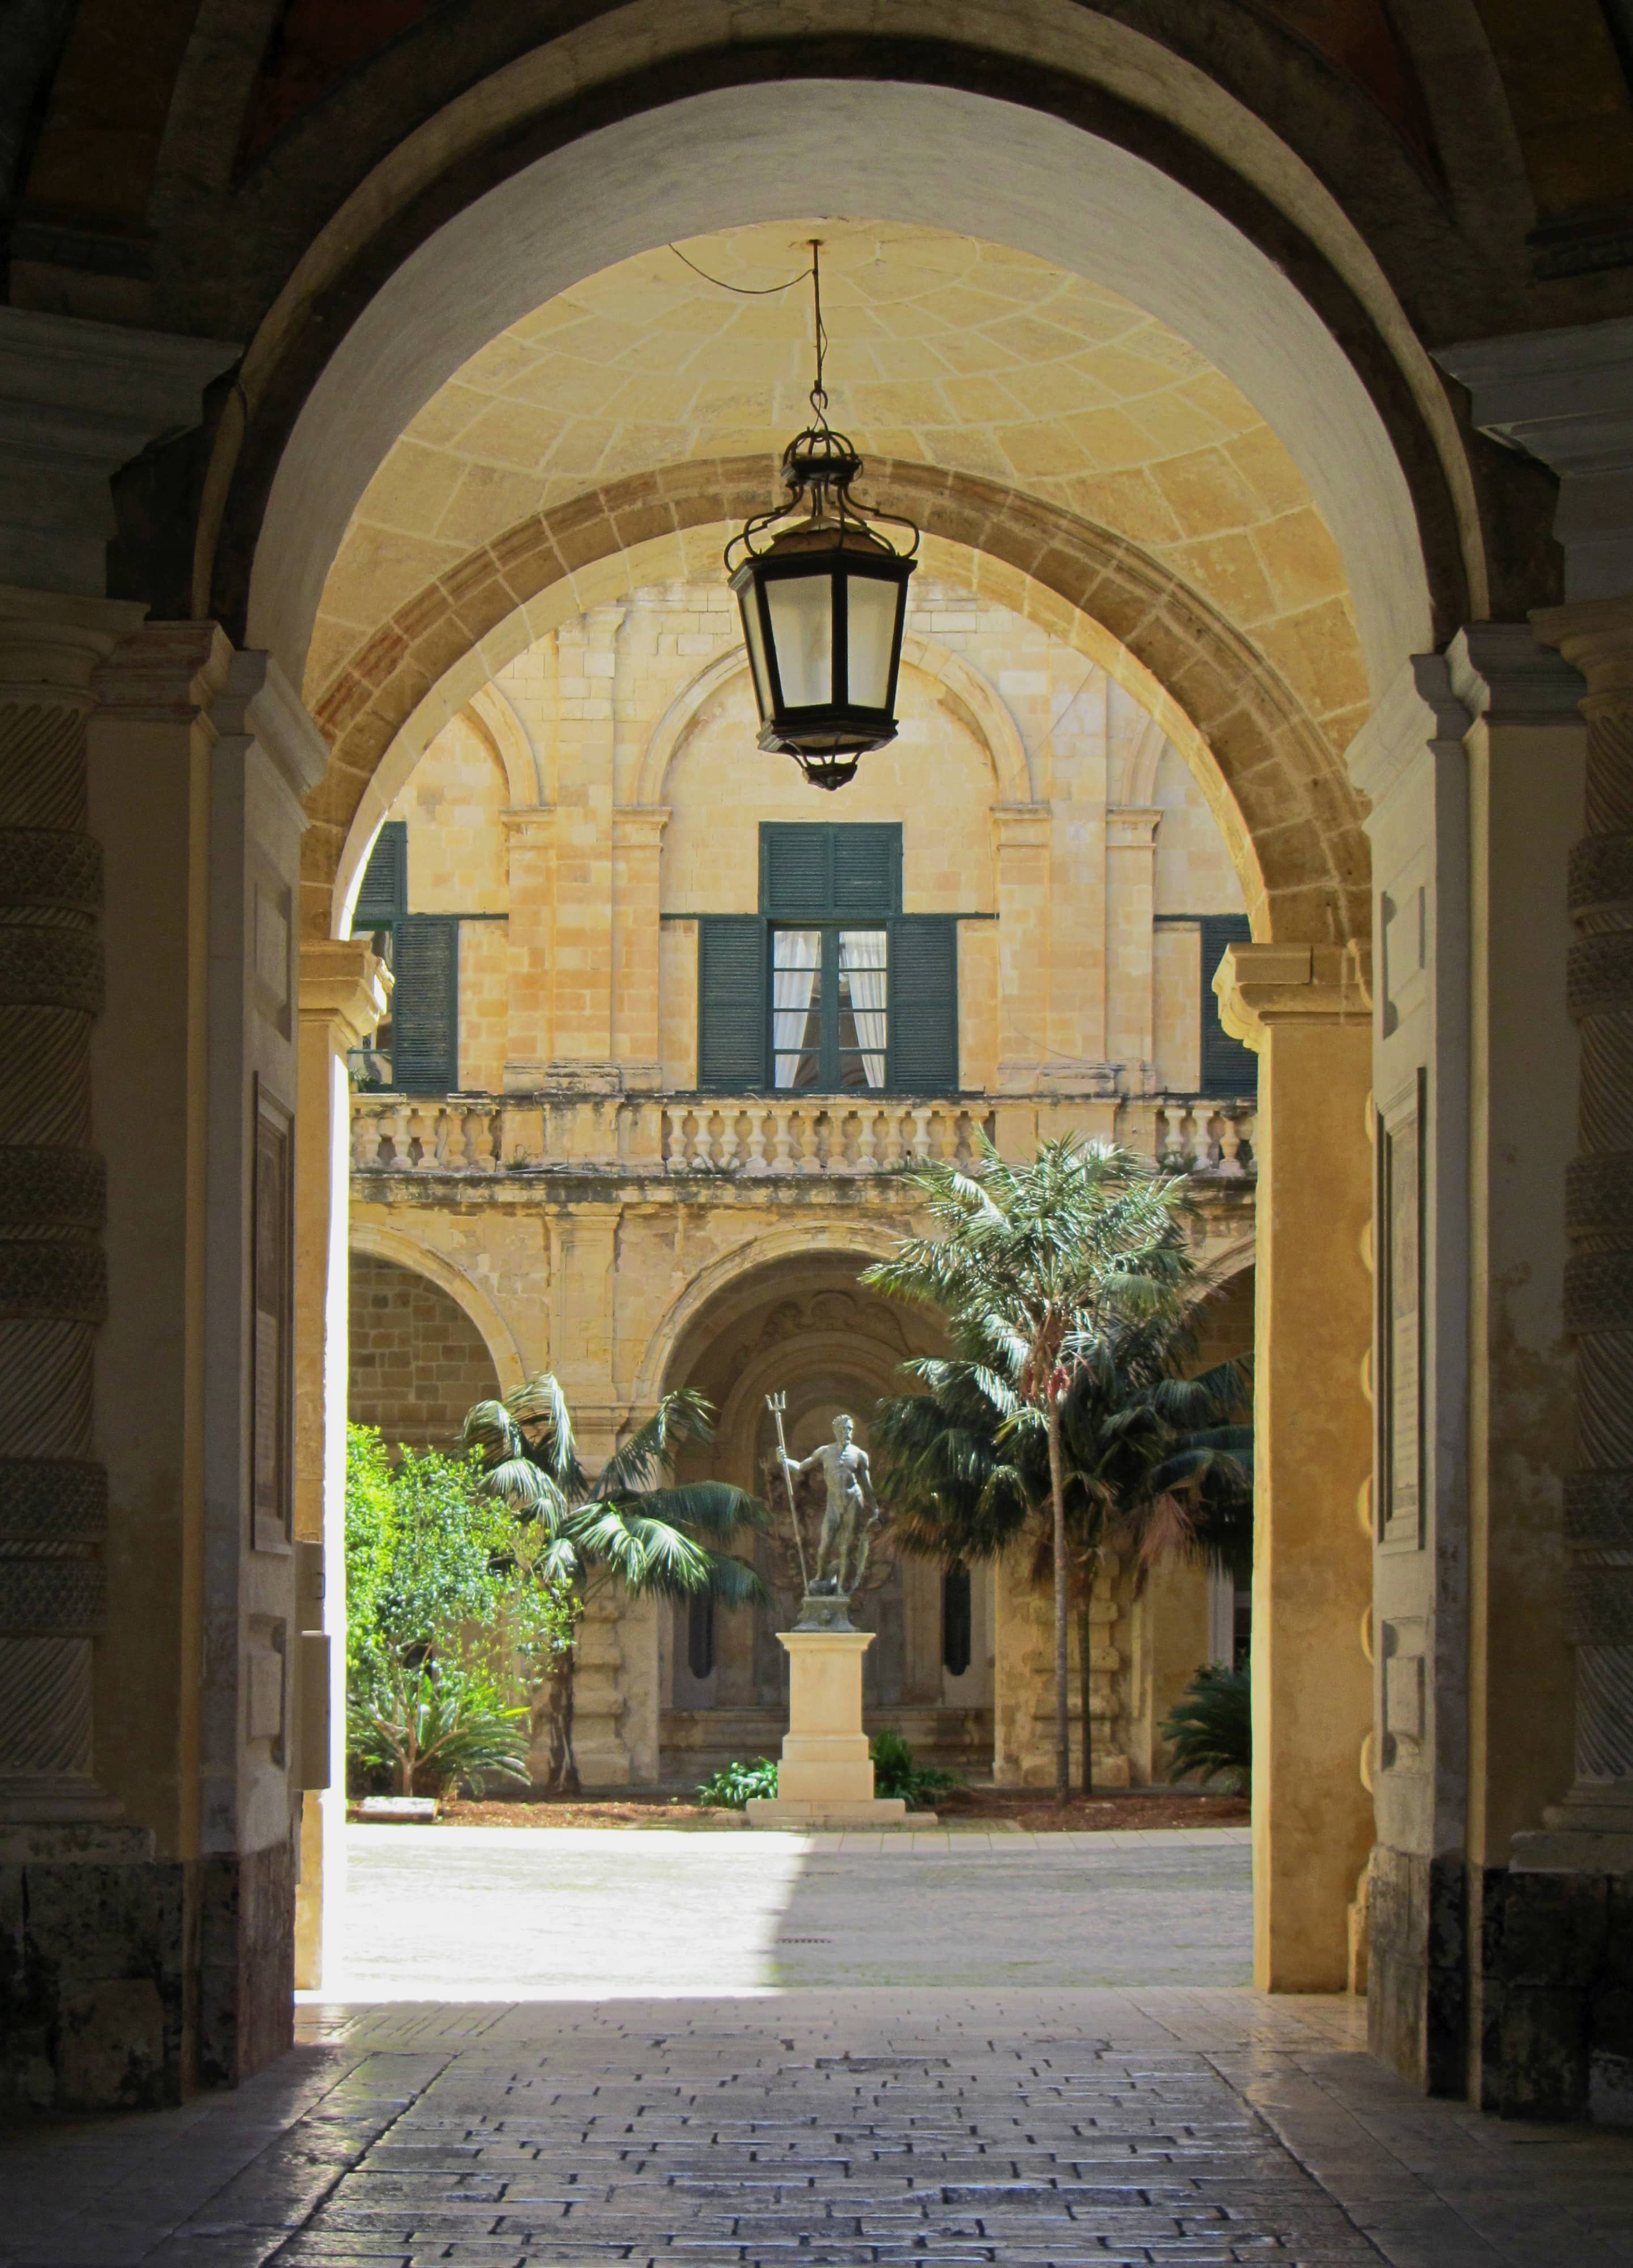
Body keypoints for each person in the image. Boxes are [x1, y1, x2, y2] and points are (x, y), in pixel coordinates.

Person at [783, 1412, 880, 1596]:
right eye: (843, 1429)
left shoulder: (860, 1455)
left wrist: (874, 1506)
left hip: (853, 1499)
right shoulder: (825, 1451)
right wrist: (785, 1461)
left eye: (850, 1429)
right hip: (834, 1503)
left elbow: (867, 1484)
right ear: (836, 1431)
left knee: (847, 1546)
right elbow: (803, 1467)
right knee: (824, 1545)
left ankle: (841, 1589)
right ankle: (820, 1575)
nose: (847, 1432)